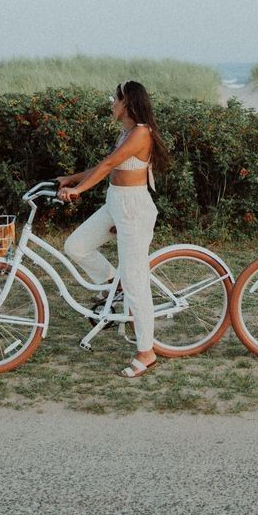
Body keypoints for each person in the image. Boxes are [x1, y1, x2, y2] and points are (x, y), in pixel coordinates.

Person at [57, 80, 170, 379]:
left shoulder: (141, 132)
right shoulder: (125, 133)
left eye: (115, 98)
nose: (111, 102)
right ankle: (113, 283)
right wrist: (71, 178)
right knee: (76, 246)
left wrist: (78, 190)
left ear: (127, 103)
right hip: (115, 204)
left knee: (136, 281)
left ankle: (146, 352)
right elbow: (108, 166)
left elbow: (107, 165)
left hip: (133, 209)